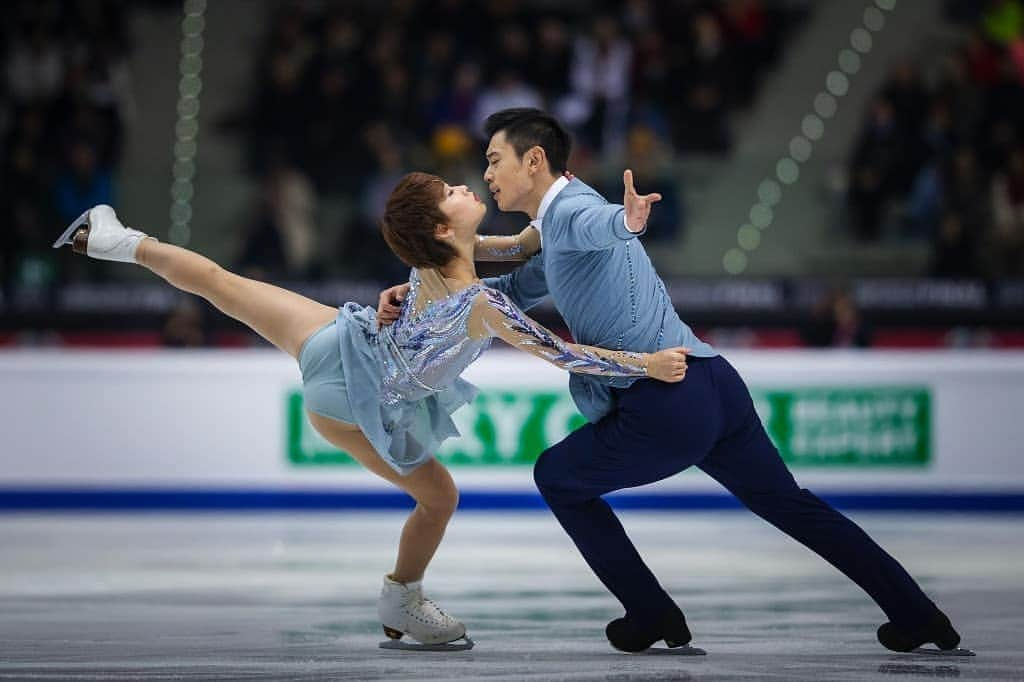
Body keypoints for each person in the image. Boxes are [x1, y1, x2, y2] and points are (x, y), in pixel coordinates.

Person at [377, 108, 964, 655]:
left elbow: (605, 227)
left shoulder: (573, 213)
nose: (486, 174)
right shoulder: (552, 229)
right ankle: (917, 614)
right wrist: (419, 296)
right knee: (793, 506)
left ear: (533, 161)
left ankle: (652, 612)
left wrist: (627, 219)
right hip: (714, 382)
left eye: (493, 160)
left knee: (556, 477)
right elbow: (501, 294)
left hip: (667, 400)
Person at [51, 177, 690, 651]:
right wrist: (646, 365)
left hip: (342, 343)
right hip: (356, 401)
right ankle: (402, 601)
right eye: (452, 191)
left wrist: (600, 216)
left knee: (223, 284)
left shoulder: (436, 262)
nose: (466, 185)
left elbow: (523, 244)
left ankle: (115, 241)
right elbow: (560, 351)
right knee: (438, 498)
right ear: (443, 229)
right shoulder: (478, 300)